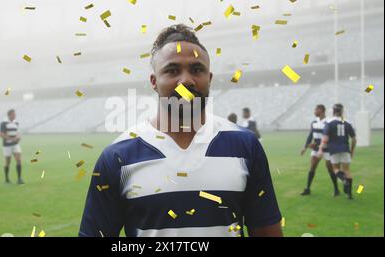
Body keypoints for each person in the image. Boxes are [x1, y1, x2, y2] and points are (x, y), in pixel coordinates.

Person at [79, 24, 282, 237]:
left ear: (209, 79)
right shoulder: (117, 156)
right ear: (154, 81)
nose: (186, 81)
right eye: (172, 70)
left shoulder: (245, 146)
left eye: (196, 69)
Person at [318, 104, 356, 199]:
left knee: (335, 169)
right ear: (342, 111)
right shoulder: (347, 122)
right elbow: (354, 139)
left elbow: (325, 139)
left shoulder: (329, 123)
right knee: (347, 170)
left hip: (334, 150)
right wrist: (352, 150)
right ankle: (349, 195)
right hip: (345, 149)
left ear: (333, 111)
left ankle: (343, 180)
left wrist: (320, 149)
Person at [300, 105, 339, 196]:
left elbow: (331, 137)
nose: (314, 111)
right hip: (316, 149)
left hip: (327, 149)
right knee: (312, 167)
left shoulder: (328, 122)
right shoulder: (314, 122)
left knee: (330, 169)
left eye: (316, 110)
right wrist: (305, 147)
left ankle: (336, 189)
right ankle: (307, 189)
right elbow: (310, 136)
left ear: (321, 110)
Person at [0, 109, 24, 184]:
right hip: (7, 145)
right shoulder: (3, 123)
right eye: (13, 114)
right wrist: (11, 139)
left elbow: (17, 132)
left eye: (15, 114)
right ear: (9, 115)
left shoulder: (16, 122)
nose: (15, 115)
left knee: (18, 159)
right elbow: (1, 134)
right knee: (7, 162)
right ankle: (7, 179)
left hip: (15, 144)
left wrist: (18, 137)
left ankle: (19, 179)